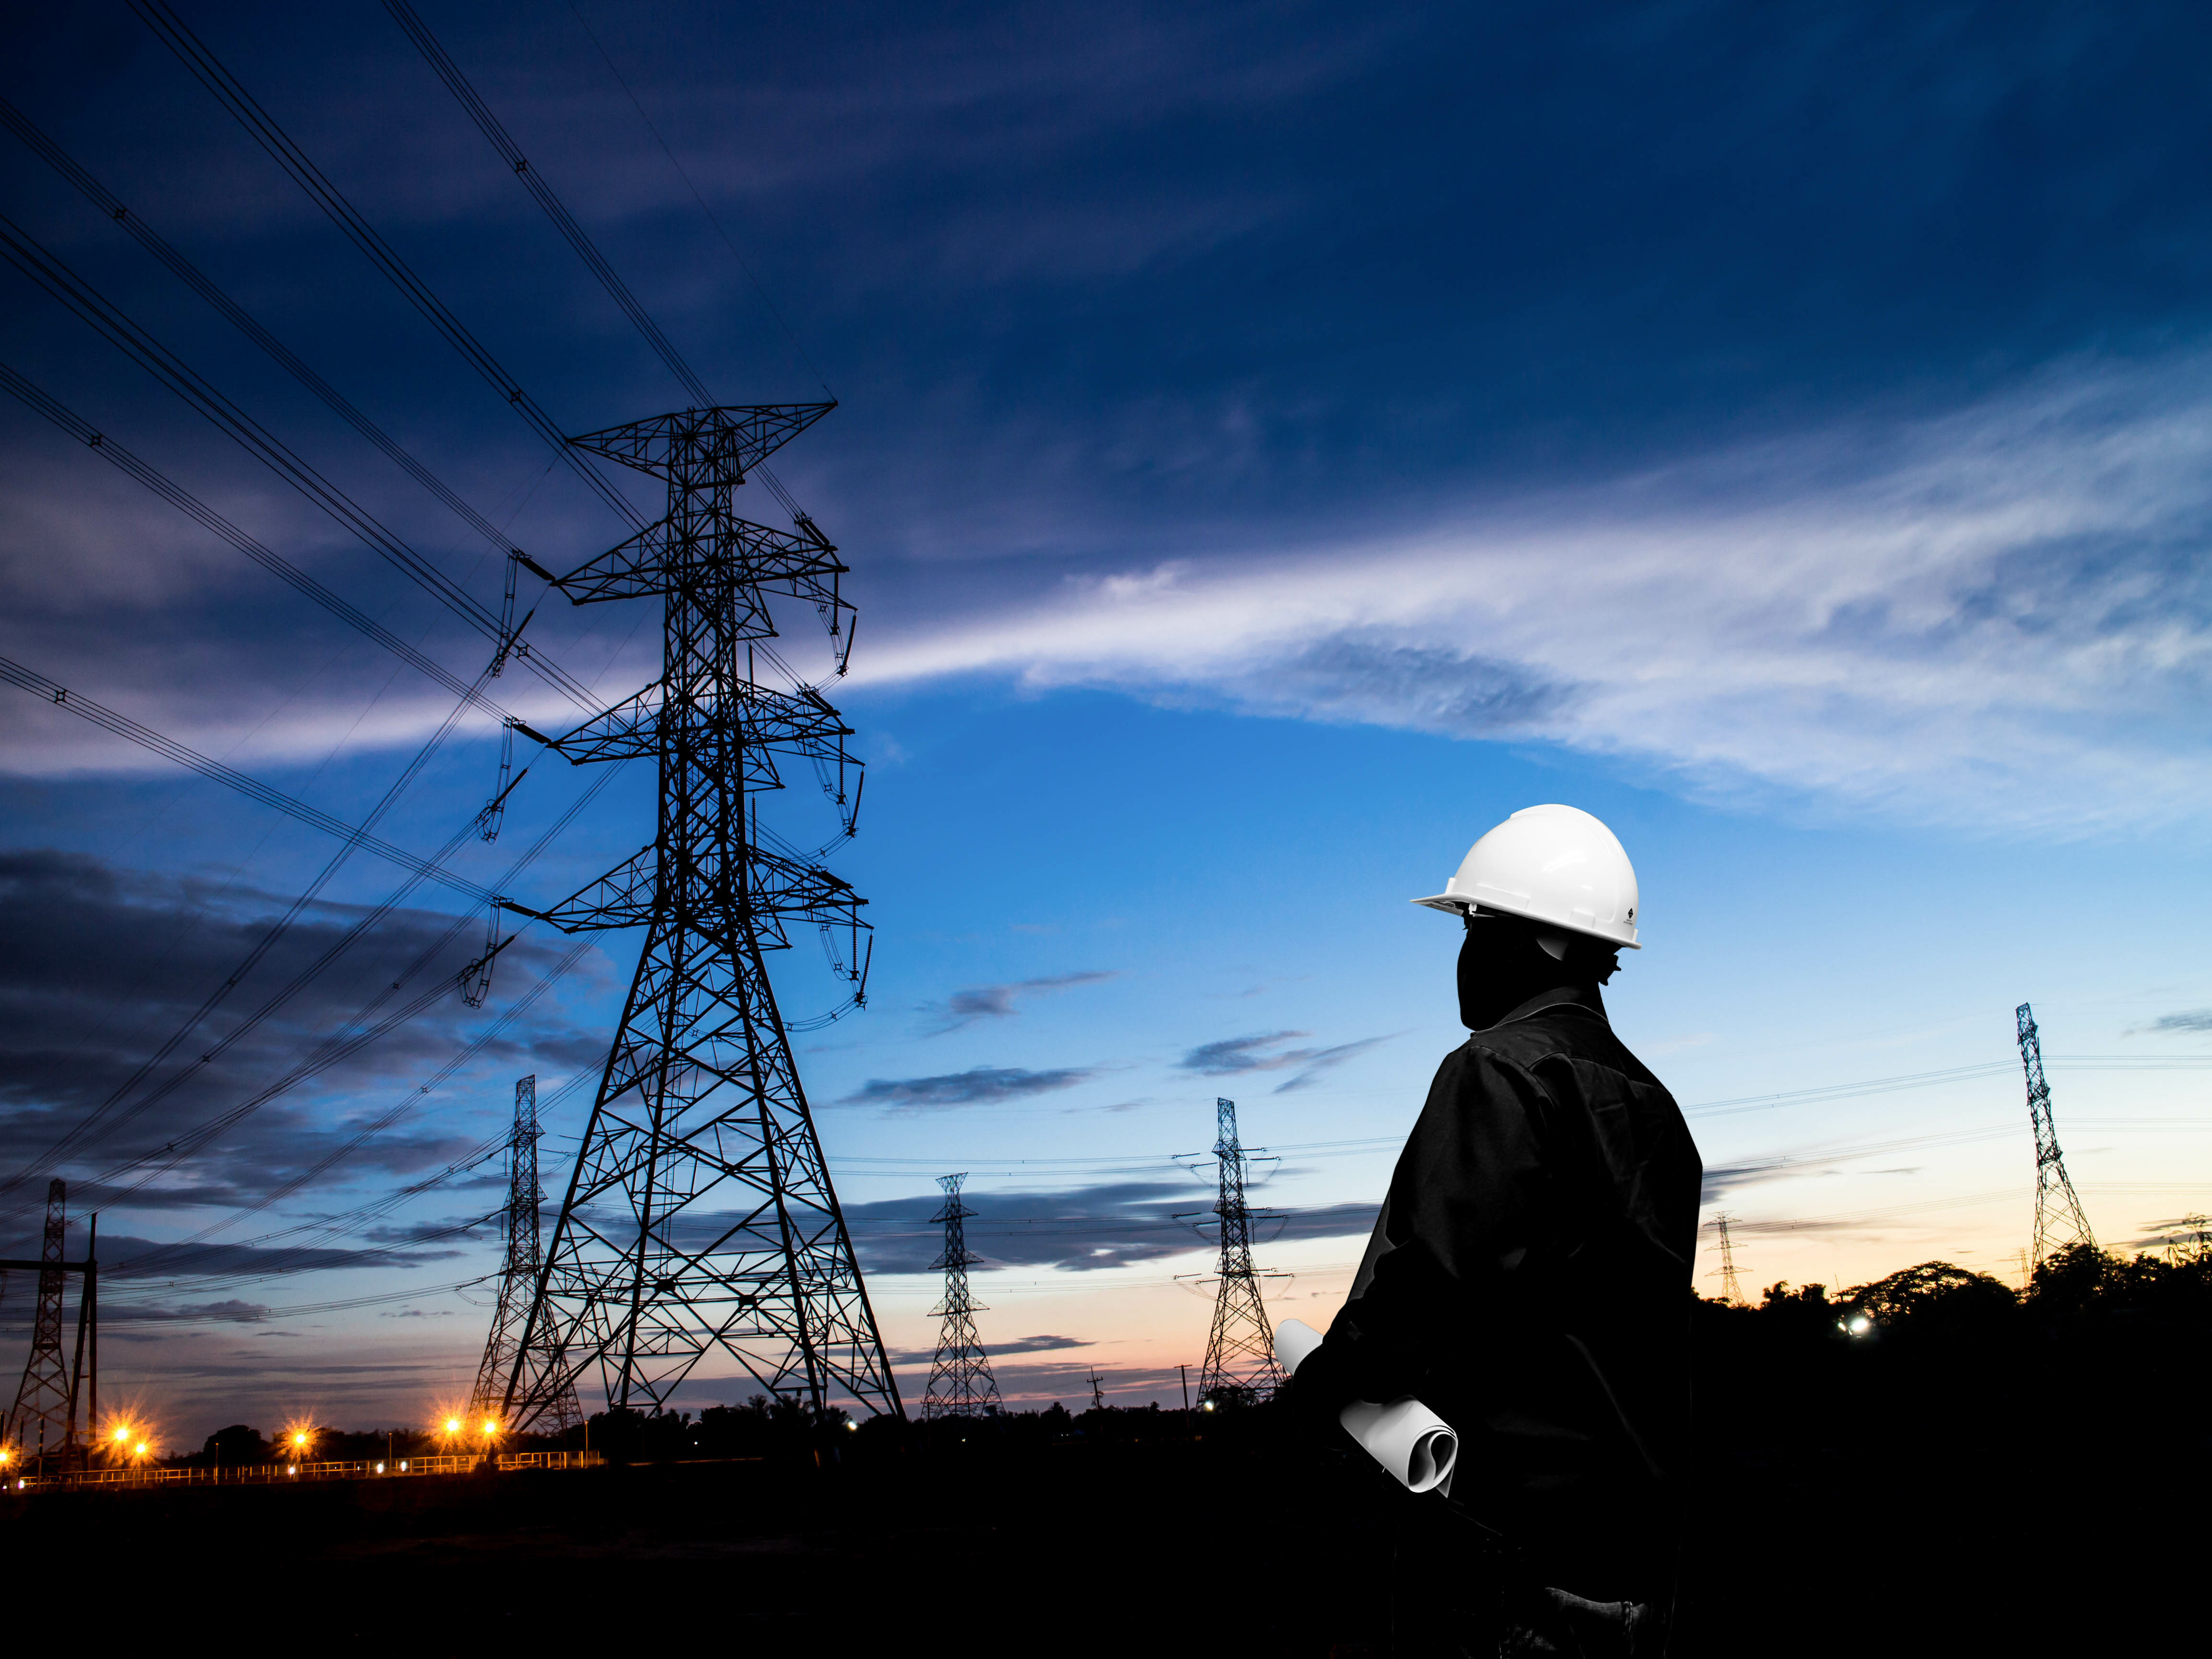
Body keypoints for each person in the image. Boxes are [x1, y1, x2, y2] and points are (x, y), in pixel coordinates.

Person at [1291, 804, 1702, 1657]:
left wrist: (1323, 1383)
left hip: (1514, 1545)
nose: (1465, 954)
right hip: (1635, 1549)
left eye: (1475, 926)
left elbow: (1430, 1287)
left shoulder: (1499, 1071)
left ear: (1536, 940)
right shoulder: (1655, 1107)